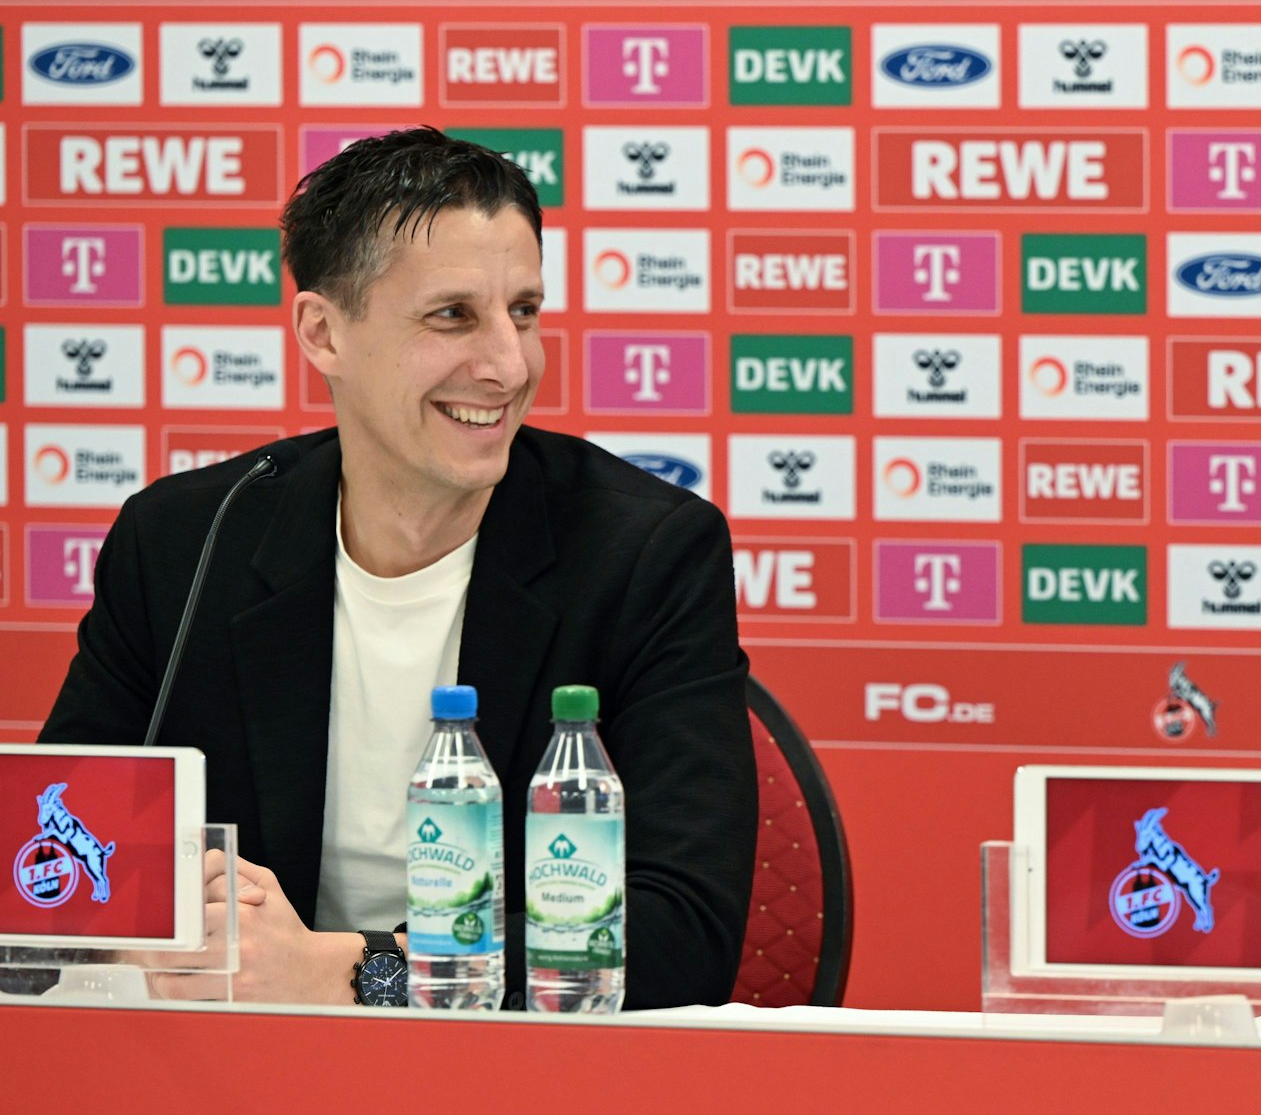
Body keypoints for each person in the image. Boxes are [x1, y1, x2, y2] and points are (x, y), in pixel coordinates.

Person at [38, 128, 757, 1010]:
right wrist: (168, 933)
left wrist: (354, 971)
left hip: (517, 1080)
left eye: (523, 311)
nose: (508, 364)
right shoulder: (185, 544)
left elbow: (683, 934)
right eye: (452, 315)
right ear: (323, 332)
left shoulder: (646, 553)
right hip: (233, 1069)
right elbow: (57, 872)